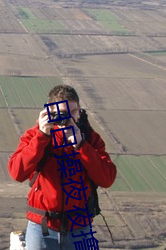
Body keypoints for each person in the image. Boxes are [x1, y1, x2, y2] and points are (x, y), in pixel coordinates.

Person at [8, 85, 117, 250]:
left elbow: (107, 178)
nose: (68, 118)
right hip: (43, 226)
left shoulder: (90, 138)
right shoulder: (35, 135)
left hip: (79, 227)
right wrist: (42, 136)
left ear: (79, 111)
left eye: (73, 112)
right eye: (61, 113)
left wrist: (81, 145)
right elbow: (17, 172)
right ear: (49, 111)